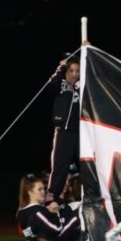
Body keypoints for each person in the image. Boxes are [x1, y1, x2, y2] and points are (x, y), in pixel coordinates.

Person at [47, 56, 80, 212]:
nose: (74, 74)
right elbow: (50, 86)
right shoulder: (60, 84)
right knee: (60, 167)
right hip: (64, 133)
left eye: (77, 71)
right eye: (71, 70)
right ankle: (51, 199)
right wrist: (60, 68)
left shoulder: (82, 86)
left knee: (87, 166)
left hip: (81, 134)